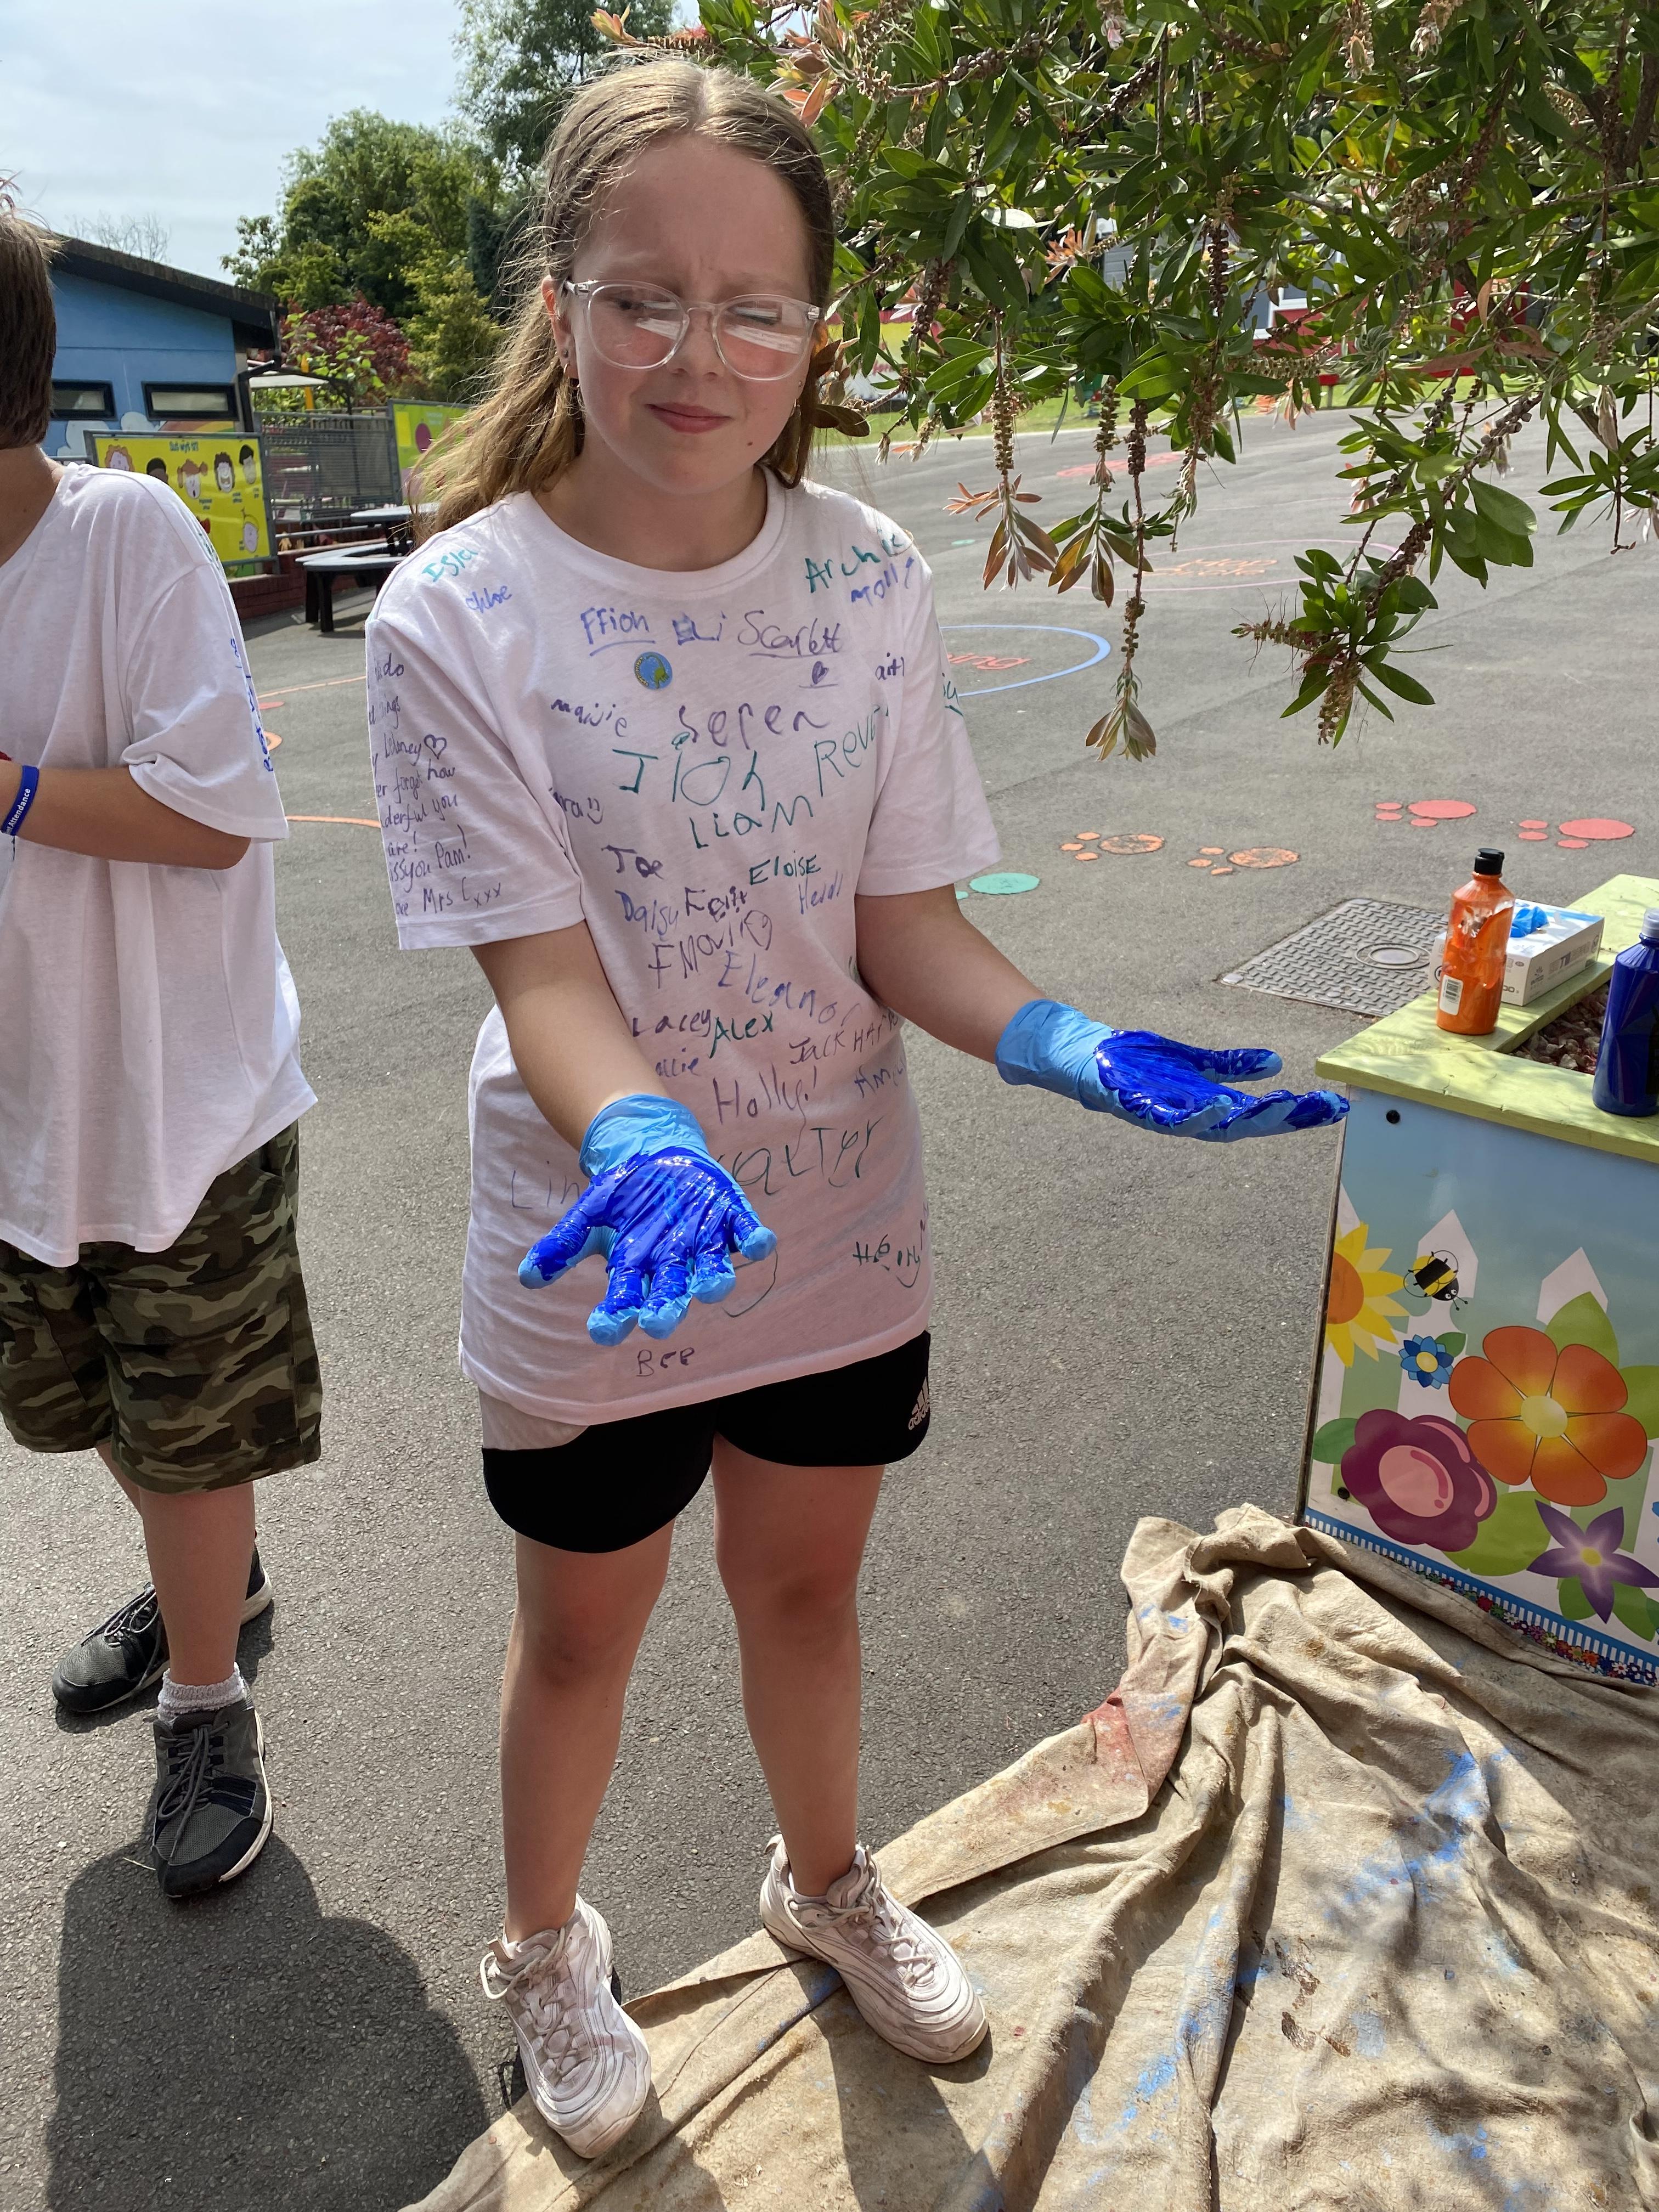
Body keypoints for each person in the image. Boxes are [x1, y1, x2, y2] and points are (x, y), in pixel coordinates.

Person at [365, 60, 1345, 2160]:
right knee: (581, 1640)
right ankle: (545, 1949)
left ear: (818, 329)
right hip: (606, 1247)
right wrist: (642, 1136)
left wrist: (1066, 1041)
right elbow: (545, 973)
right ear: (560, 299)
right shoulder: (459, 611)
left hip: (833, 1222)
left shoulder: (867, 577)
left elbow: (904, 927)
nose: (698, 354)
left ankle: (826, 1884)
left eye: (756, 308)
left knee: (808, 1595)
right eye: (645, 298)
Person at [0, 213, 320, 1899]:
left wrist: (6, 788)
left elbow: (214, 815)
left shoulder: (121, 534)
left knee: (194, 1432)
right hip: (22, 1108)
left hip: (174, 1105)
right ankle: (218, 1590)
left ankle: (208, 1703)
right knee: (98, 1413)